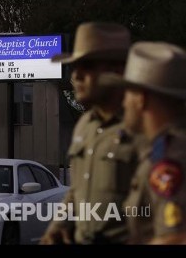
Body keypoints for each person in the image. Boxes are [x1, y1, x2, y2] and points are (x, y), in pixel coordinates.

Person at [40, 22, 144, 244]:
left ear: (116, 72)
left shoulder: (144, 127)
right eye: (74, 67)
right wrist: (59, 225)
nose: (76, 76)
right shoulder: (85, 124)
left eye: (87, 66)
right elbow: (77, 188)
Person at [98, 41, 186, 244]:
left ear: (140, 99)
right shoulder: (164, 149)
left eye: (127, 94)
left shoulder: (168, 159)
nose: (123, 103)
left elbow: (175, 238)